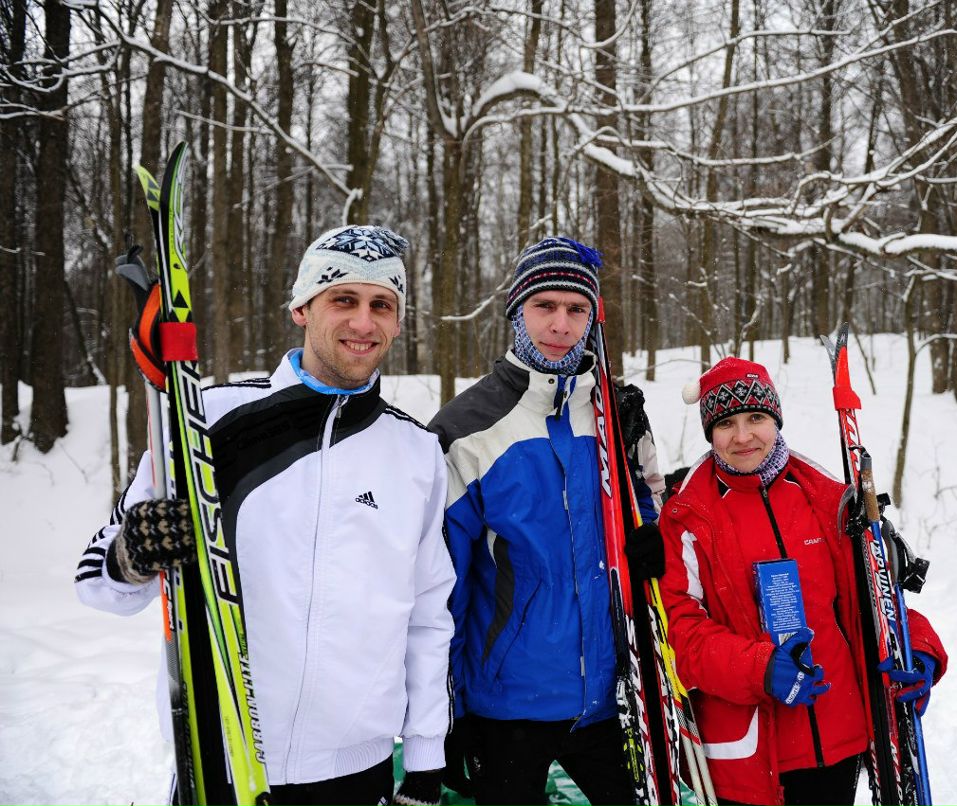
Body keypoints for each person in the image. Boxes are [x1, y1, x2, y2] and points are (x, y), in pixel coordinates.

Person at [74, 225, 455, 806]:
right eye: (343, 299)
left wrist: (426, 761)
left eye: (382, 305)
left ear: (399, 322)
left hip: (357, 771)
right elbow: (97, 583)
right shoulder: (210, 419)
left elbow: (428, 616)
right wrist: (132, 555)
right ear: (303, 308)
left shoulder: (415, 452)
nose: (363, 322)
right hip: (219, 759)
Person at [428, 236, 665, 806]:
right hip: (507, 704)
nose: (561, 324)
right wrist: (446, 711)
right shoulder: (466, 429)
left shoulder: (615, 412)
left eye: (576, 309)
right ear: (517, 311)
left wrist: (652, 528)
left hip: (611, 697)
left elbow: (649, 511)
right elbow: (440, 589)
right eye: (545, 307)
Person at [657, 357, 948, 806]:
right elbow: (681, 633)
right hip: (751, 754)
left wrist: (919, 648)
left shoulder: (827, 499)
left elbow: (874, 601)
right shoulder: (689, 517)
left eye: (756, 417)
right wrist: (758, 667)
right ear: (708, 431)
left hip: (839, 735)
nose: (742, 436)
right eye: (726, 423)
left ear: (775, 418)